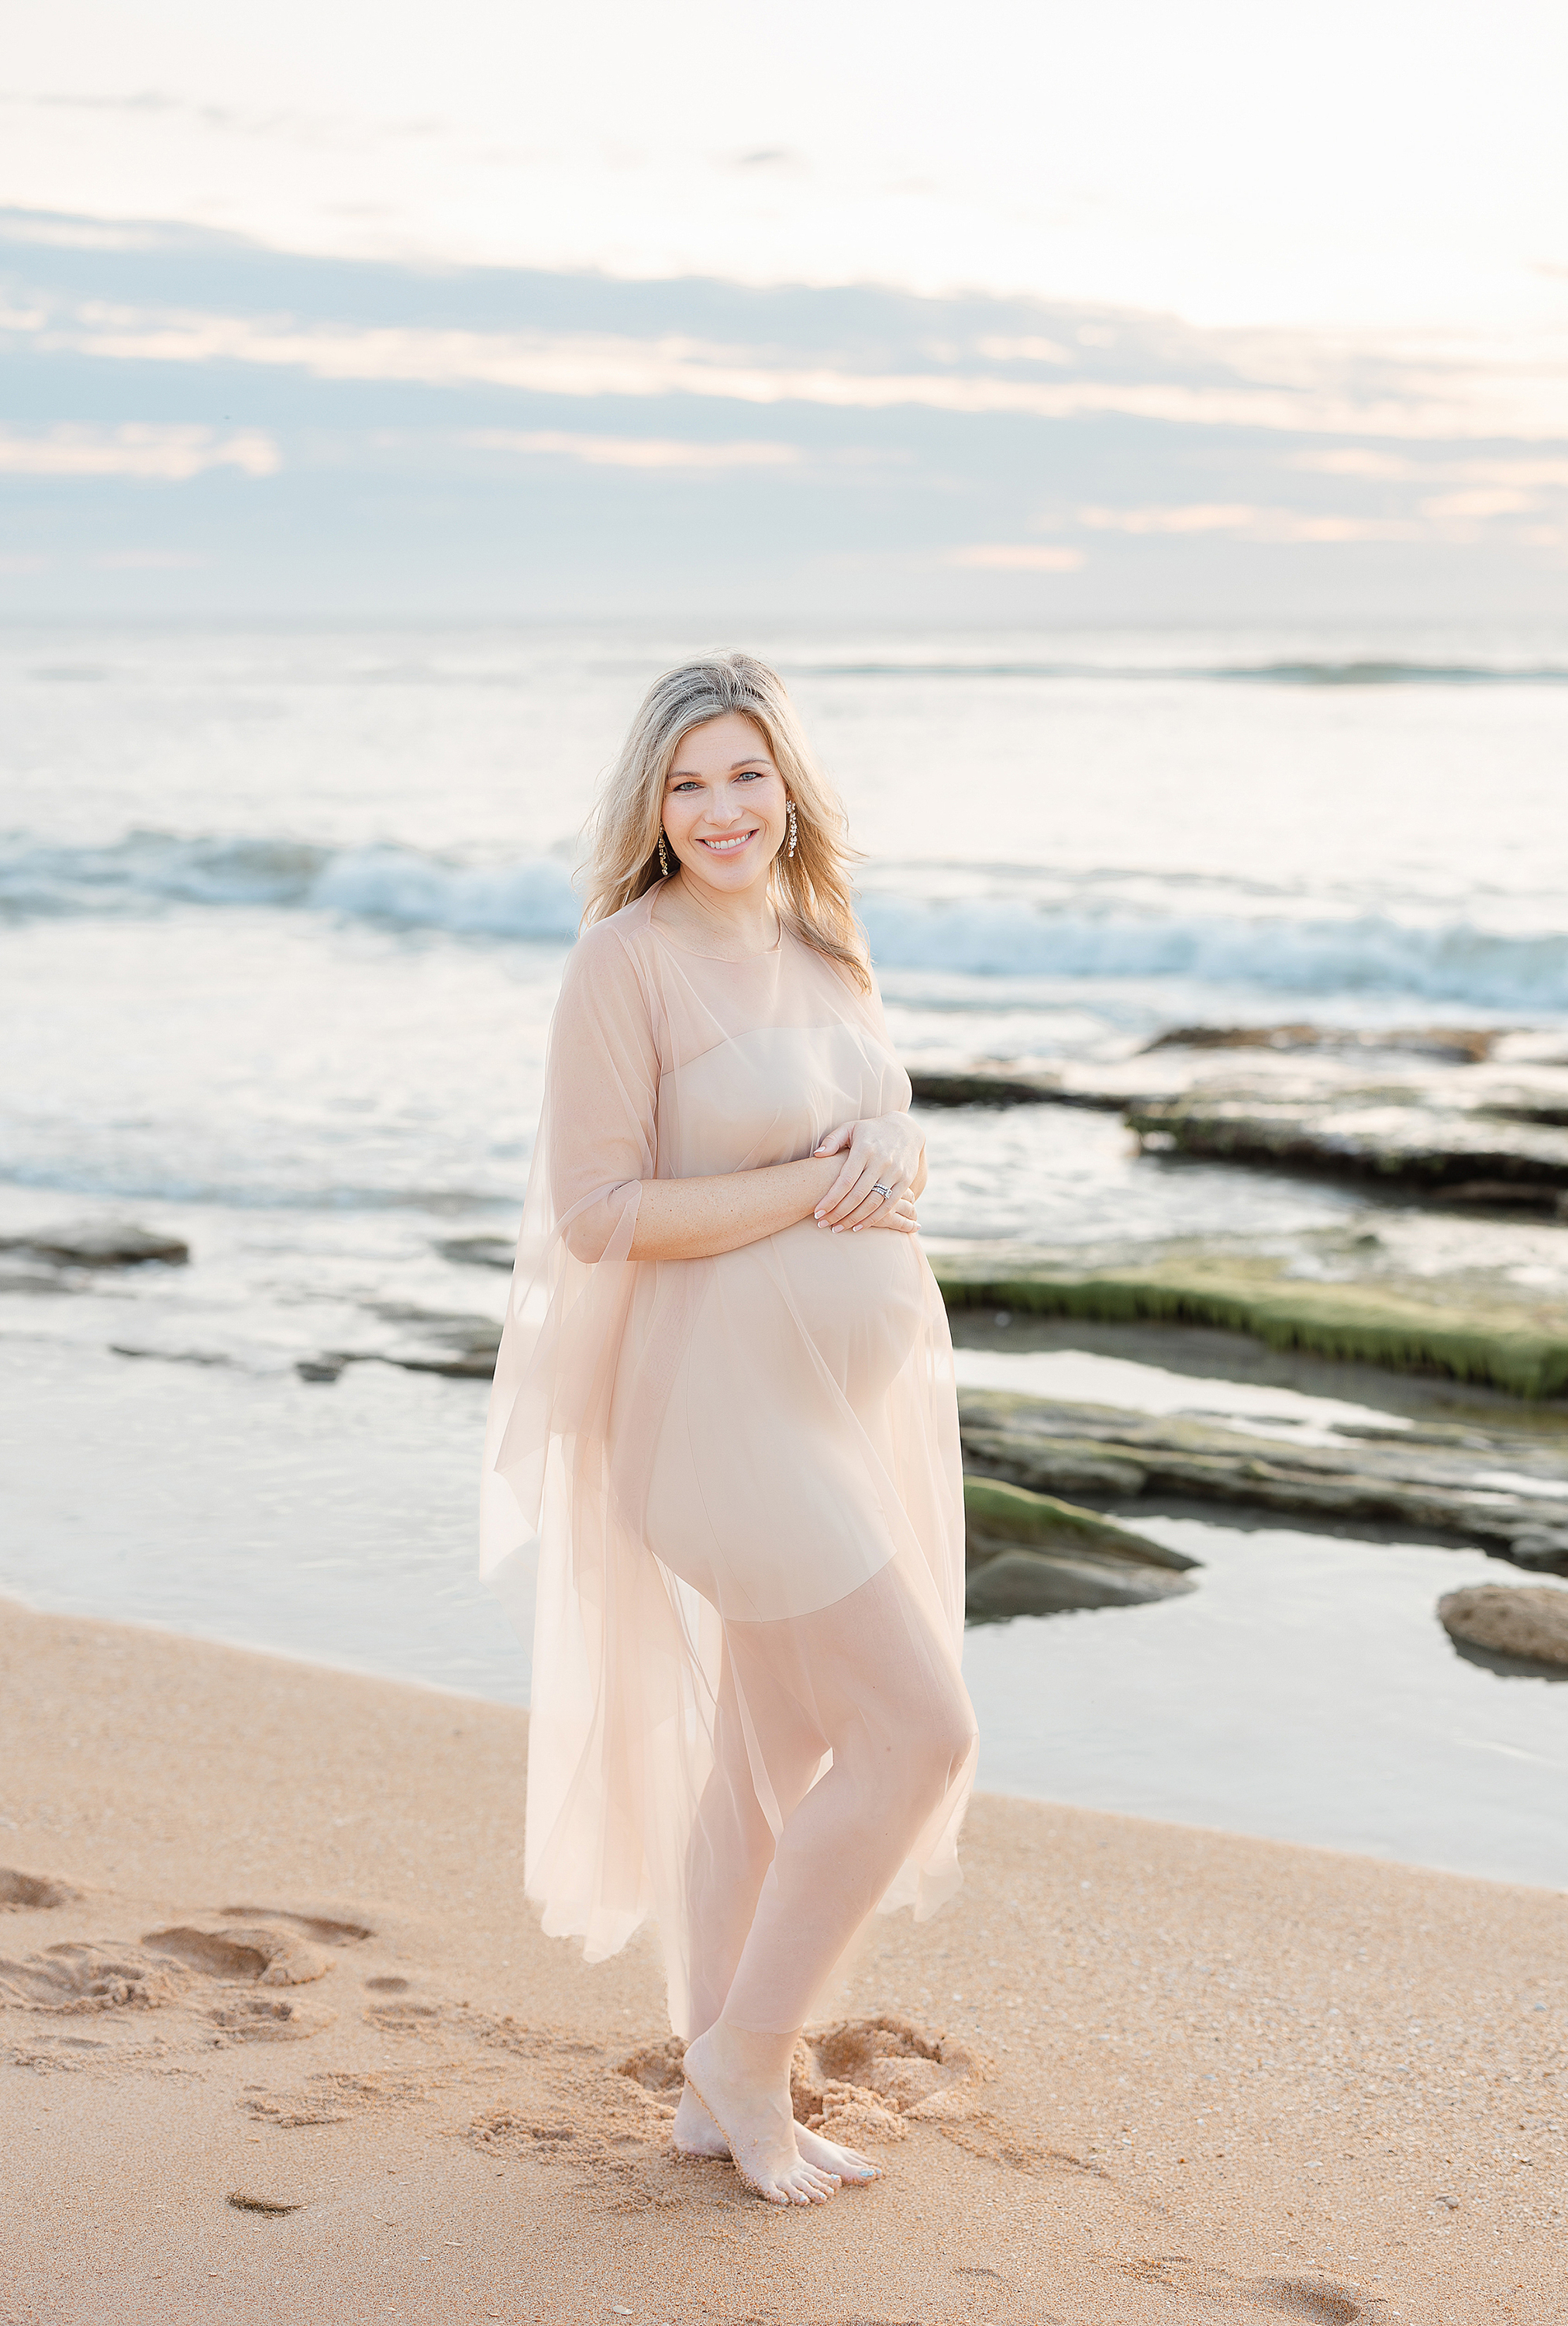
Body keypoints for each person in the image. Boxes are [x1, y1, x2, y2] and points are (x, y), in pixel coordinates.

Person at [481, 654, 977, 2206]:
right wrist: (806, 1190)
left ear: (788, 786)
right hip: (709, 1416)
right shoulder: (621, 963)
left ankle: (710, 2075)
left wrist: (892, 1142)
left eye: (745, 775)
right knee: (919, 1734)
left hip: (824, 1407)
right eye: (688, 783)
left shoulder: (826, 944)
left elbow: (879, 1137)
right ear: (652, 803)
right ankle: (750, 2062)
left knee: (769, 1760)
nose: (721, 810)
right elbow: (596, 1212)